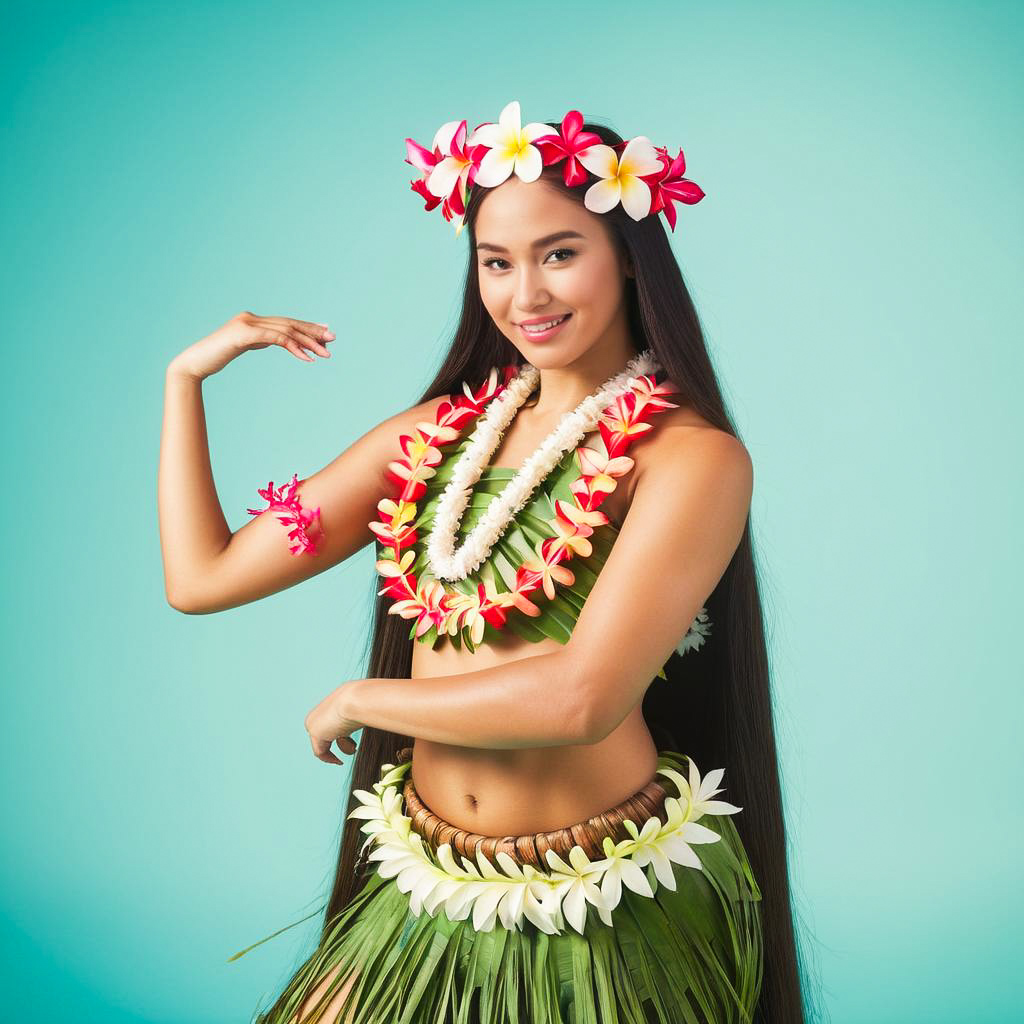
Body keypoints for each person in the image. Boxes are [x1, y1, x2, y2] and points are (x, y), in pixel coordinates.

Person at [159, 100, 810, 1023]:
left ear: (627, 252)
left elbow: (583, 699)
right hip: (427, 889)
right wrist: (185, 382)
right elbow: (204, 576)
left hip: (604, 910)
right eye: (496, 263)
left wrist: (363, 701)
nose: (526, 296)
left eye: (558, 253)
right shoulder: (431, 444)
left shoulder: (689, 458)